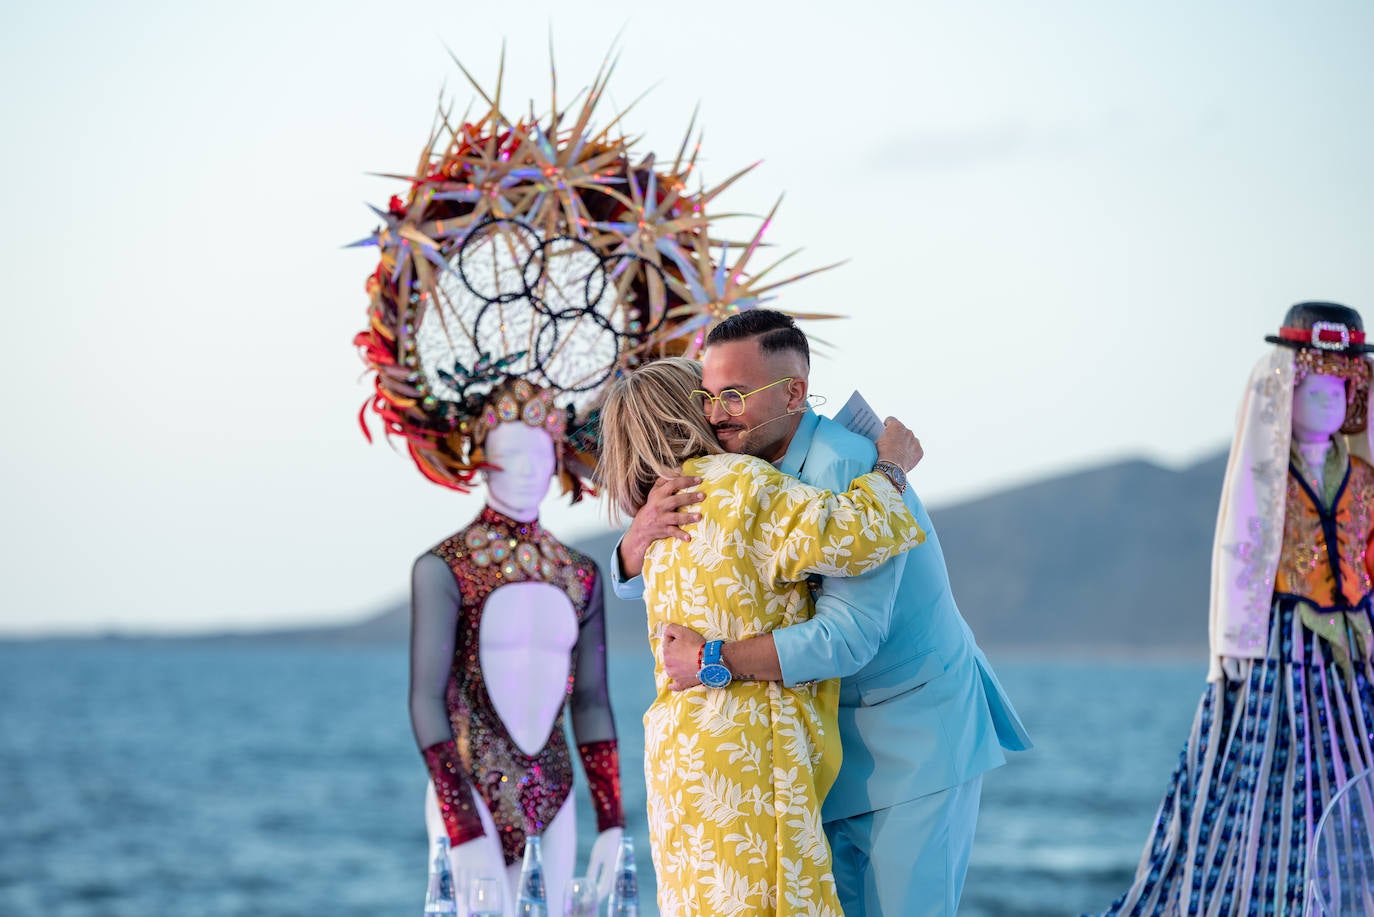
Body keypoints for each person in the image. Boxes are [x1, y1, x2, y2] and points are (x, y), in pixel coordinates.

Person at [612, 310, 1032, 916]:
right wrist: (634, 544)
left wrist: (712, 661)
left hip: (912, 737)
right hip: (819, 747)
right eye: (708, 395)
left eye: (734, 395)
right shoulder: (740, 475)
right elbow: (688, 573)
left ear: (794, 394)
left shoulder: (848, 468)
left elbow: (850, 635)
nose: (716, 413)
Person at [596, 356, 927, 917]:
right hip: (748, 753)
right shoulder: (740, 485)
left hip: (680, 759)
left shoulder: (656, 520)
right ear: (691, 410)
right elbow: (850, 536)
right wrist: (893, 466)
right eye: (709, 398)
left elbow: (634, 581)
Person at [1094, 302, 1374, 915]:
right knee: (1273, 779)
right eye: (1314, 386)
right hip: (1284, 652)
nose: (1329, 399)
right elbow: (1243, 550)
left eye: (1340, 387)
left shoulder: (1361, 477)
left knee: (1357, 772)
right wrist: (1233, 644)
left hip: (1357, 650)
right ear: (1285, 391)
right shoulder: (1267, 476)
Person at [409, 380, 624, 913]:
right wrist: (461, 822)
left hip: (556, 793)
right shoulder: (445, 568)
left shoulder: (581, 574)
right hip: (469, 785)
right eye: (508, 455)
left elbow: (592, 702)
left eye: (537, 454)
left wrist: (612, 823)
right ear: (481, 462)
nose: (526, 469)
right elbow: (425, 700)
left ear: (557, 457)